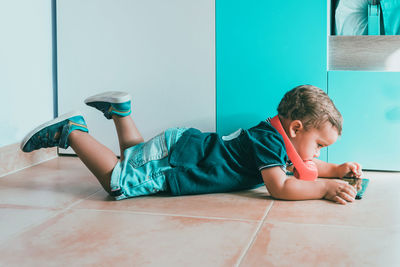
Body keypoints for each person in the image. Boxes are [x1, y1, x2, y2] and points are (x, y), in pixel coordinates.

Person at [20, 85, 362, 205]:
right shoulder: (269, 141)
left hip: (180, 148)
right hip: (181, 162)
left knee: (136, 159)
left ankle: (120, 112)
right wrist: (324, 189)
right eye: (319, 144)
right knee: (119, 181)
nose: (318, 155)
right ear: (296, 127)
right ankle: (73, 131)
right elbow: (280, 186)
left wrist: (338, 171)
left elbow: (307, 169)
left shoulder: (275, 138)